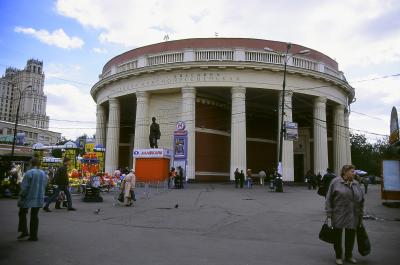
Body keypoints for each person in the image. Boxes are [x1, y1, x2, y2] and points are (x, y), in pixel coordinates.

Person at [325, 165, 364, 265]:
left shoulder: (356, 184)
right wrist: (329, 214)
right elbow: (328, 199)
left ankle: (348, 256)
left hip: (353, 214)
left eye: (354, 171)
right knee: (337, 237)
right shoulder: (335, 182)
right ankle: (338, 256)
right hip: (339, 213)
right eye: (352, 171)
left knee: (350, 236)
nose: (354, 173)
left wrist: (360, 215)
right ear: (345, 172)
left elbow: (361, 200)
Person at [17, 157, 47, 241]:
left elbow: (24, 187)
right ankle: (34, 235)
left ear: (31, 163)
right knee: (34, 216)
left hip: (28, 197)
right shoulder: (43, 173)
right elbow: (45, 185)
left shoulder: (29, 173)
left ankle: (24, 230)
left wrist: (21, 196)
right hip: (39, 197)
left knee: (22, 212)